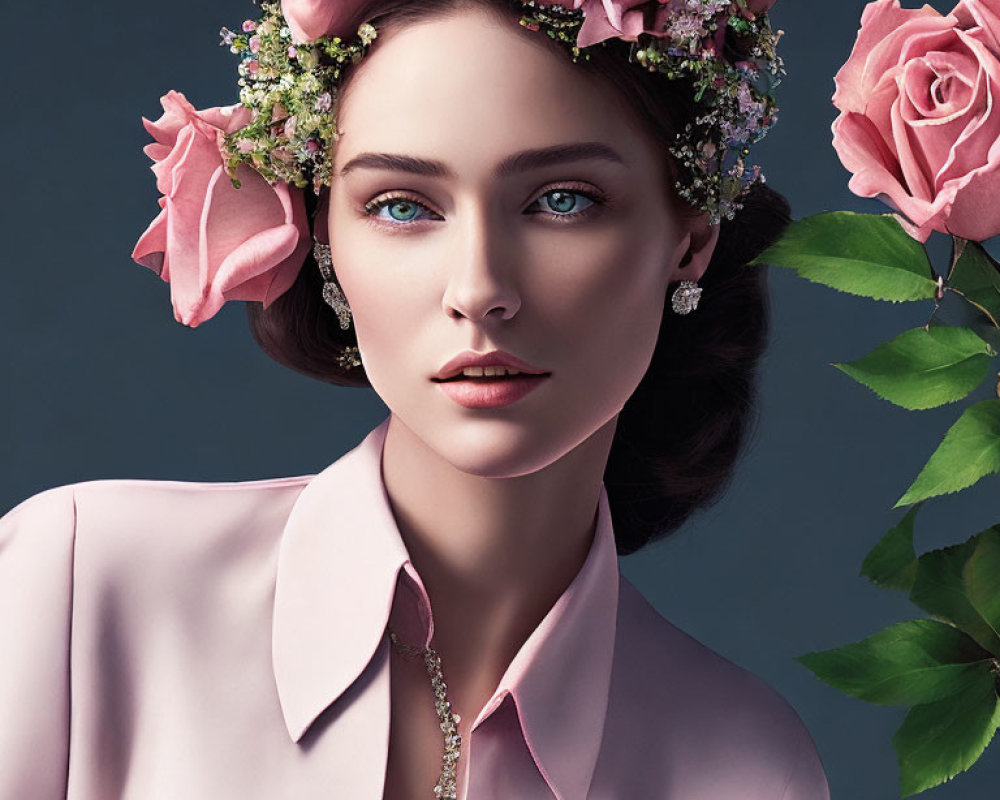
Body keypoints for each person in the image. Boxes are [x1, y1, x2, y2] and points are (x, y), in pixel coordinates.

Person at [0, 0, 830, 798]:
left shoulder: (746, 767)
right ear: (323, 238)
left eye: (562, 201)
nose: (480, 290)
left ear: (690, 238)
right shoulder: (77, 591)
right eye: (401, 206)